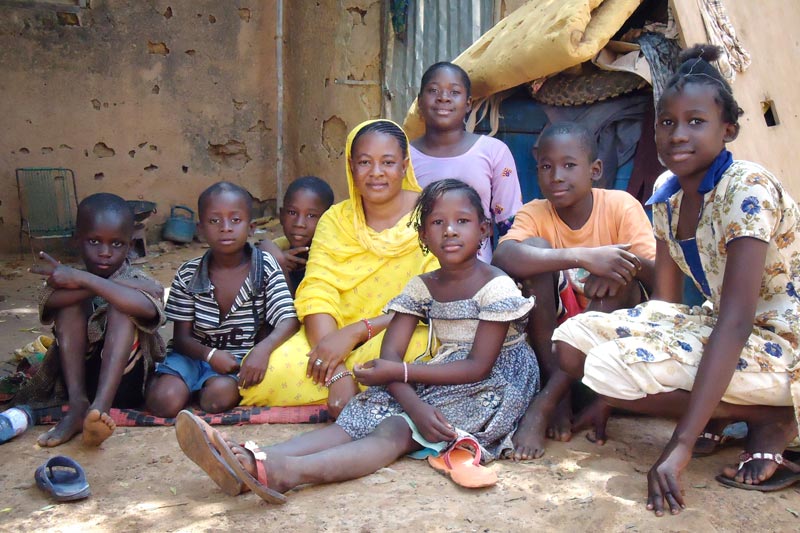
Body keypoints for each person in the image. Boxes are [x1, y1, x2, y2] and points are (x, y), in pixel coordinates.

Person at [546, 45, 800, 515]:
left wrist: (679, 444)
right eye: (667, 122)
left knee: (616, 369)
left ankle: (774, 417)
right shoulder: (667, 194)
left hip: (784, 341)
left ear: (729, 130)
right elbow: (664, 307)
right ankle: (726, 414)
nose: (677, 135)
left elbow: (738, 321)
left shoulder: (748, 190)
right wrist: (610, 394)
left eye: (696, 122)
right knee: (574, 345)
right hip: (725, 327)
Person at [175, 179, 540, 501]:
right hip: (435, 374)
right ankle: (260, 458)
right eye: (437, 223)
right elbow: (390, 354)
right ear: (423, 236)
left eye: (462, 221)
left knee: (394, 431)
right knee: (358, 416)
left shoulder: (496, 287)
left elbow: (478, 366)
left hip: (492, 383)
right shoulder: (423, 287)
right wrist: (409, 398)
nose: (449, 231)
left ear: (484, 230)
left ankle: (287, 474)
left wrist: (402, 383)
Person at [240, 120, 438, 416]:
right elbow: (317, 291)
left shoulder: (431, 214)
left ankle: (355, 387)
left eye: (387, 162)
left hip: (395, 332)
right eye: (364, 162)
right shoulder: (335, 220)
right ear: (351, 166)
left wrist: (358, 332)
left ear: (404, 166)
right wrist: (337, 370)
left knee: (425, 348)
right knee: (261, 375)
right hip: (330, 336)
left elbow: (433, 297)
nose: (376, 173)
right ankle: (361, 387)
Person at [492, 121, 656, 459]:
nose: (556, 176)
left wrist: (620, 265)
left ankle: (548, 400)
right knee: (534, 250)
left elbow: (658, 276)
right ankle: (560, 391)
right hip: (553, 351)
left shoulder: (621, 206)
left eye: (569, 165)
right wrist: (584, 257)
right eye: (546, 167)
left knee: (619, 276)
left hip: (610, 354)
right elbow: (503, 256)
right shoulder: (536, 212)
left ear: (595, 170)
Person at [145, 182, 300, 417]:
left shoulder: (265, 267)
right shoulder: (189, 274)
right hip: (193, 357)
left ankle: (199, 389)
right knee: (163, 402)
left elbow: (289, 320)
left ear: (251, 227)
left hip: (241, 362)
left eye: (235, 220)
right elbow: (181, 338)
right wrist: (210, 355)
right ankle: (185, 384)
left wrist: (262, 351)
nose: (225, 228)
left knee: (216, 399)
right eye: (215, 221)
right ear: (200, 229)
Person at [30, 193, 166, 447]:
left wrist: (84, 280)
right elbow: (49, 301)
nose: (105, 253)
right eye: (94, 241)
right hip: (78, 380)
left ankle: (99, 410)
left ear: (130, 246)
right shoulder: (68, 279)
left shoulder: (136, 278)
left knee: (122, 306)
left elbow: (148, 308)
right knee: (69, 305)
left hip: (127, 383)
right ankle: (79, 405)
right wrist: (90, 283)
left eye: (117, 244)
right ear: (77, 240)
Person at [410, 61, 523, 263]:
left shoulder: (493, 151)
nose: (443, 98)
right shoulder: (403, 158)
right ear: (419, 101)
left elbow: (509, 225)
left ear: (468, 103)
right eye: (433, 90)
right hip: (414, 270)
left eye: (454, 92)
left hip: (477, 273)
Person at [261, 176, 334, 296]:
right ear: (281, 216)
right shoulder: (273, 250)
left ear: (329, 220)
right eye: (292, 213)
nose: (299, 224)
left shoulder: (333, 261)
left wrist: (279, 268)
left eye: (311, 215)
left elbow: (295, 309)